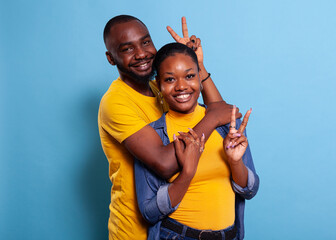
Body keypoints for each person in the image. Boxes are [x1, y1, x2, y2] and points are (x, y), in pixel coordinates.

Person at [99, 15, 241, 239]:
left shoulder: (160, 88)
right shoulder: (115, 101)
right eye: (127, 49)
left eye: (145, 42)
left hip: (170, 225)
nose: (141, 53)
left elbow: (222, 112)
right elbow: (164, 164)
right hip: (135, 231)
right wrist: (212, 118)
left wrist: (194, 64)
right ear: (110, 58)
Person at [134, 43, 259, 240]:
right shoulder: (154, 136)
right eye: (170, 79)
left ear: (201, 80)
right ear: (158, 85)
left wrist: (235, 163)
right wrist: (187, 174)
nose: (181, 86)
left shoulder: (226, 123)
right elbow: (149, 212)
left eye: (190, 76)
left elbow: (250, 190)